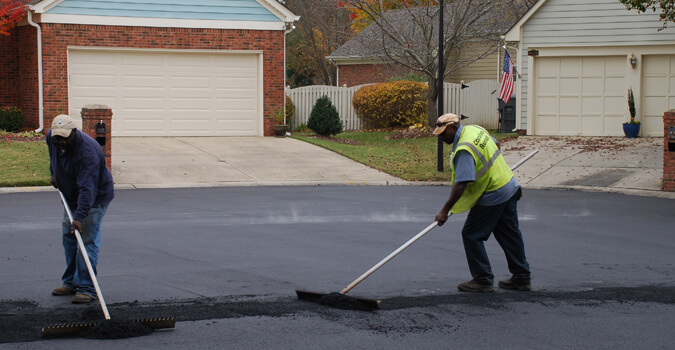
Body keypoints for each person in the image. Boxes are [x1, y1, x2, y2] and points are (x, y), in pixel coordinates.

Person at [433, 113, 531, 293]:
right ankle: (522, 277)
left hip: (493, 193)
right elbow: (496, 145)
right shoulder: (475, 130)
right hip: (508, 185)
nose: (441, 137)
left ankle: (482, 279)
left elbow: (462, 182)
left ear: (453, 128)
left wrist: (444, 211)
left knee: (472, 234)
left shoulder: (464, 149)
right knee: (509, 234)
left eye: (443, 133)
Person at [46, 115, 115, 304]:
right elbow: (52, 156)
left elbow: (88, 189)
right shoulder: (52, 137)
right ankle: (70, 283)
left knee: (86, 241)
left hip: (93, 199)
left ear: (74, 132)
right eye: (58, 137)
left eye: (65, 138)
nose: (61, 141)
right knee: (69, 239)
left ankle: (87, 287)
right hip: (71, 197)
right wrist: (53, 173)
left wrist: (79, 217)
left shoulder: (87, 153)